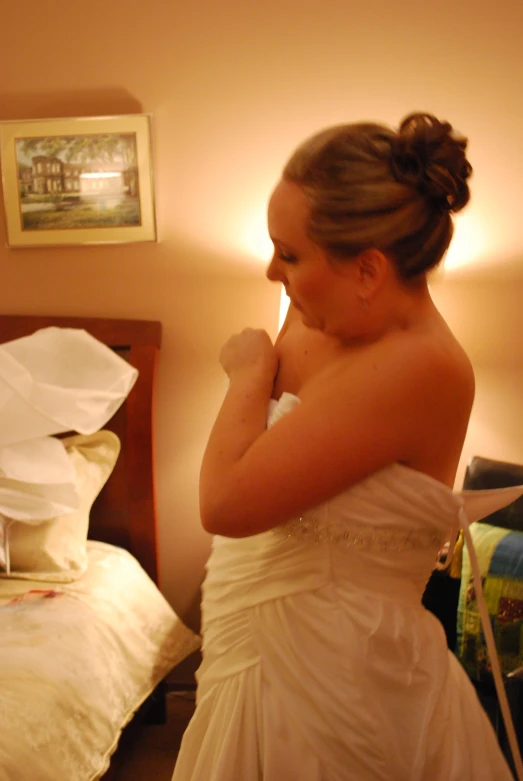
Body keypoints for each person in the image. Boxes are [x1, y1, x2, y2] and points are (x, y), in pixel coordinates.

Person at [172, 113, 523, 780]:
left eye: (291, 254)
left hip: (335, 682)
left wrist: (247, 372)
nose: (271, 268)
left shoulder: (417, 366)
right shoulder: (314, 311)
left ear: (366, 268)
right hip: (257, 652)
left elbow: (223, 501)